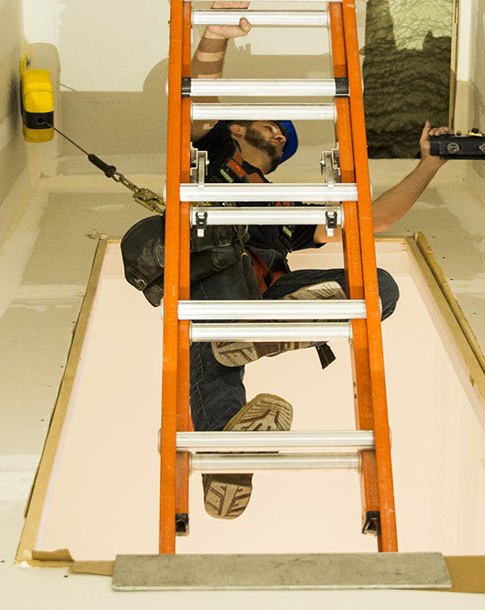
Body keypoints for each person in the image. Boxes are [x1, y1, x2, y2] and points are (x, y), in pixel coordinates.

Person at [185, 2, 453, 520]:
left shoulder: (288, 206)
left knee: (381, 287)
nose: (283, 134)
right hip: (215, 273)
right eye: (273, 125)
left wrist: (430, 165)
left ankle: (260, 334)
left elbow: (370, 222)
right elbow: (203, 97)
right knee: (214, 320)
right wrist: (214, 37)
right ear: (238, 129)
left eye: (287, 137)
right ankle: (228, 448)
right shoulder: (216, 154)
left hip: (267, 290)